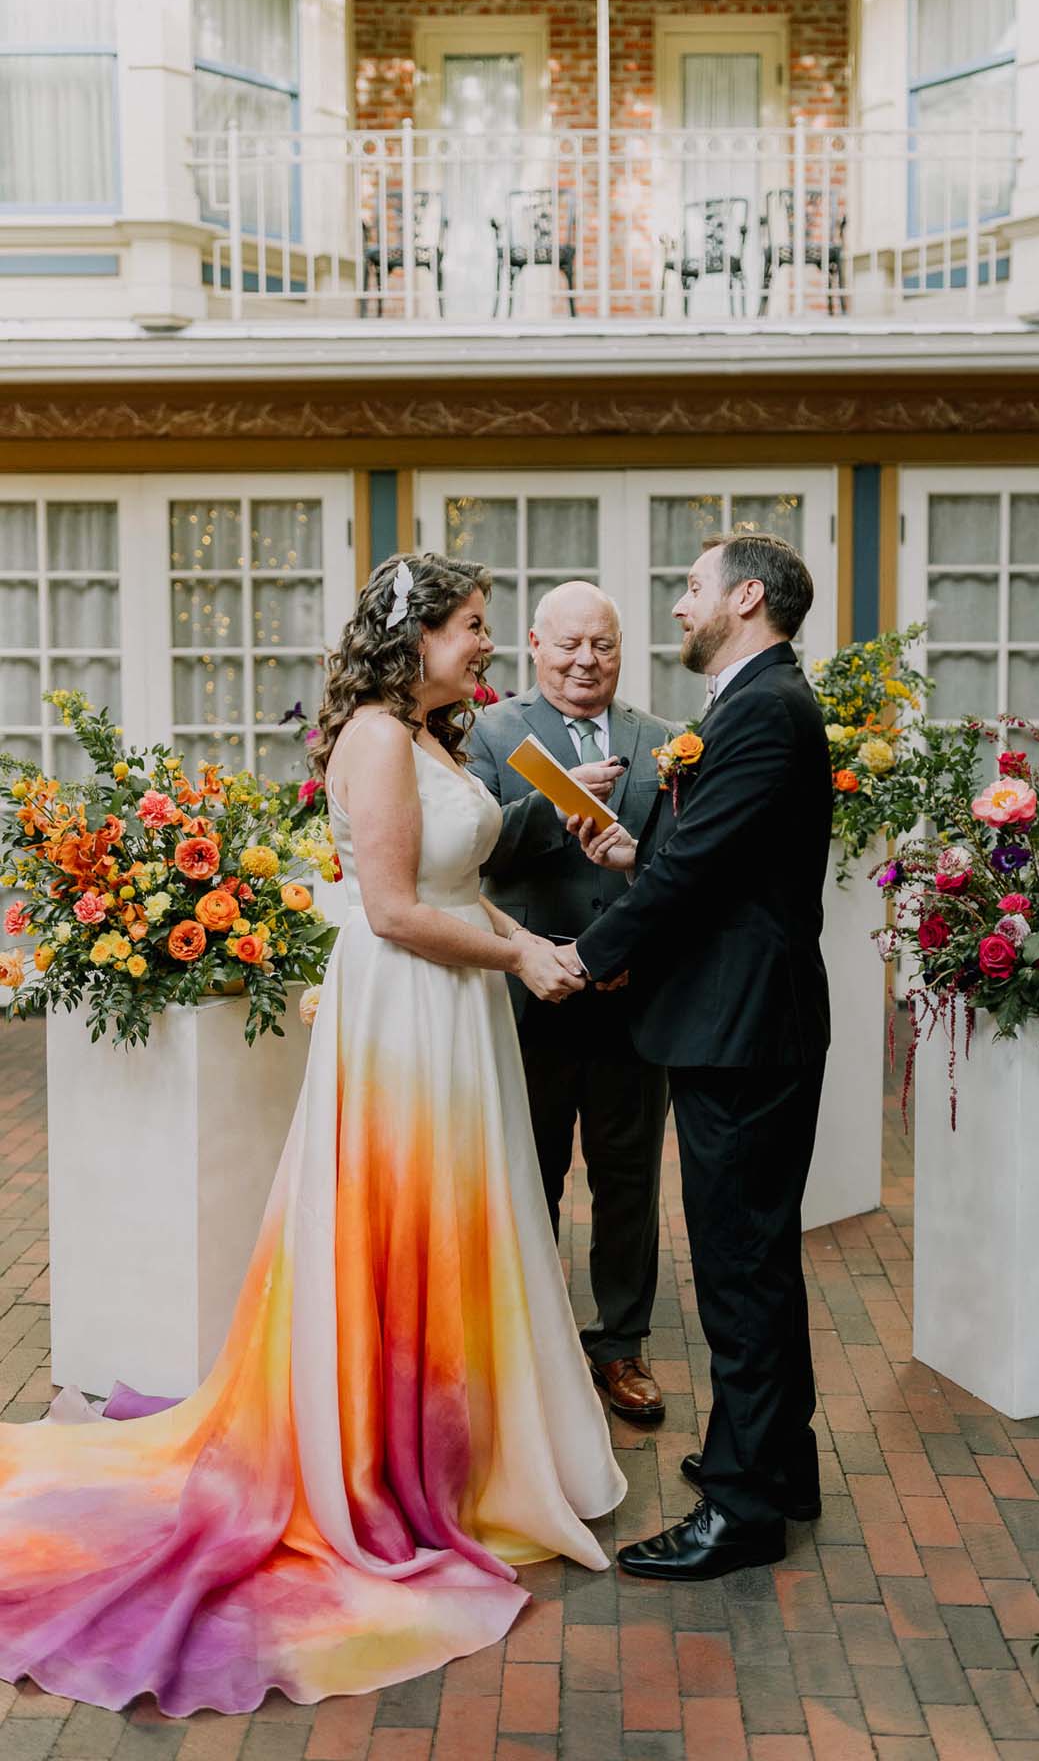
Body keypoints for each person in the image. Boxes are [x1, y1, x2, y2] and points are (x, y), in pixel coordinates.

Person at [0, 554, 625, 1716]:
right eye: (477, 627)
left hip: (457, 1007)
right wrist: (520, 955)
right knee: (408, 1227)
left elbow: (454, 882)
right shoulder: (382, 743)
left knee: (467, 1225)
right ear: (421, 635)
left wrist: (517, 945)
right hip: (407, 1015)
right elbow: (392, 912)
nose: (488, 646)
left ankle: (460, 1444)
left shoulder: (436, 737)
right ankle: (390, 1463)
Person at [560, 531, 831, 1583]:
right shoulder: (759, 700)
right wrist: (637, 851)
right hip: (746, 1021)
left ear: (746, 596)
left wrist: (580, 959)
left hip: (744, 1030)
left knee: (738, 1270)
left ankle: (743, 1511)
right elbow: (714, 859)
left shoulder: (764, 708)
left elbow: (696, 885)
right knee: (755, 1260)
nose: (678, 606)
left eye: (690, 586)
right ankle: (776, 1464)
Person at [467, 582, 672, 1424]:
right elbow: (481, 854)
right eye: (569, 645)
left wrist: (631, 952)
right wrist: (552, 806)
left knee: (629, 1180)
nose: (587, 661)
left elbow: (674, 863)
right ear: (535, 644)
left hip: (629, 998)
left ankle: (620, 1345)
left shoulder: (661, 742)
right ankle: (535, 1346)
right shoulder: (492, 732)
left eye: (605, 645)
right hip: (532, 993)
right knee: (532, 1174)